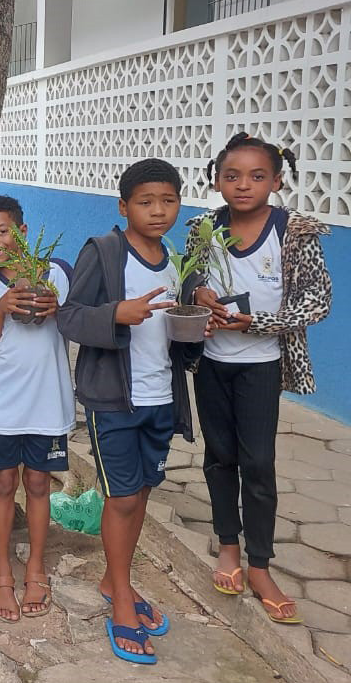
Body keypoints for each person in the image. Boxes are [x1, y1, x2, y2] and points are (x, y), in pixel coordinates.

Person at [57, 159, 200, 665]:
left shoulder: (178, 260)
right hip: (114, 398)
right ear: (124, 207)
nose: (158, 211)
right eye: (146, 201)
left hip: (161, 398)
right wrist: (116, 314)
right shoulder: (105, 251)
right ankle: (121, 598)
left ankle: (112, 579)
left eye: (168, 201)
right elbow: (69, 316)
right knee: (119, 500)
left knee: (139, 494)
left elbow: (177, 333)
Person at [188, 133, 330, 624]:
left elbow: (317, 301)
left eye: (256, 176)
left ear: (276, 180)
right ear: (216, 180)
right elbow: (187, 280)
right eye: (231, 176)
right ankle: (228, 546)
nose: (242, 185)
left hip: (262, 365)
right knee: (219, 458)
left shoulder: (293, 232)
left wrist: (260, 324)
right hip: (212, 364)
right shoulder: (204, 228)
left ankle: (260, 563)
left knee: (259, 462)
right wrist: (199, 292)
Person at [0, 196, 73, 623]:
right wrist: (0, 310)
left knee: (40, 484)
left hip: (48, 401)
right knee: (4, 484)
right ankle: (3, 572)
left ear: (23, 232)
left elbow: (76, 322)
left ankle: (36, 568)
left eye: (2, 231)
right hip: (2, 405)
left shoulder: (57, 273)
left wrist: (57, 309)